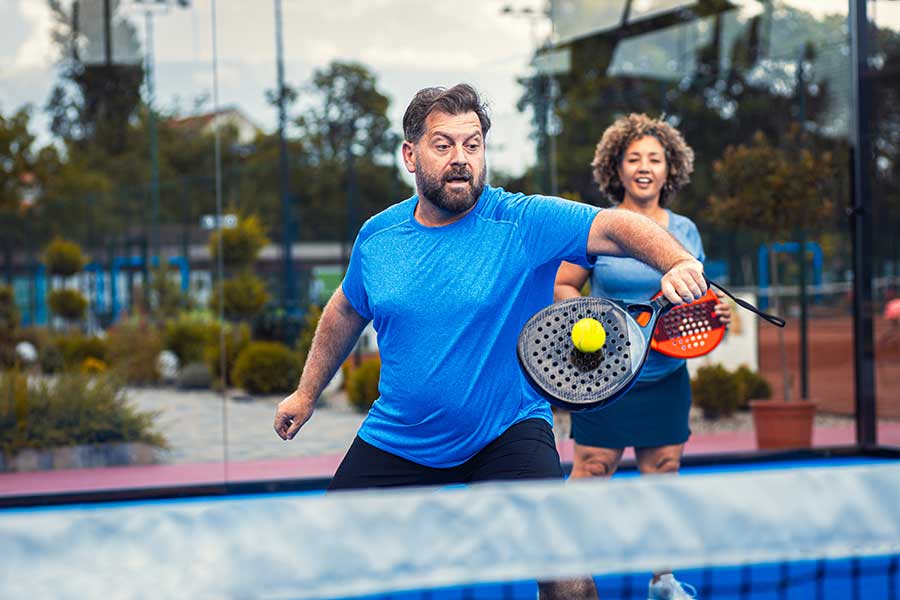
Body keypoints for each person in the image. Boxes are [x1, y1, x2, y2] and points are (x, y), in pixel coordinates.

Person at [274, 86, 707, 600]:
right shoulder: (378, 236)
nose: (461, 159)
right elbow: (347, 308)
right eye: (444, 145)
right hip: (402, 435)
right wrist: (306, 393)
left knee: (567, 578)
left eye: (472, 144)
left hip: (506, 431)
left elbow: (616, 225)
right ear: (410, 155)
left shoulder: (522, 221)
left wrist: (675, 261)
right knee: (322, 556)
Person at [554, 113, 731, 600]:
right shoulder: (600, 226)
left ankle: (663, 581)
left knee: (664, 473)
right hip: (606, 378)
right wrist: (591, 321)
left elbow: (697, 298)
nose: (645, 166)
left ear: (670, 169)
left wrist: (717, 314)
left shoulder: (687, 231)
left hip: (667, 376)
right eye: (634, 158)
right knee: (591, 470)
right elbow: (565, 285)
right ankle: (567, 580)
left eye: (655, 158)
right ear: (617, 168)